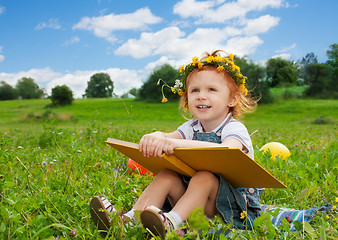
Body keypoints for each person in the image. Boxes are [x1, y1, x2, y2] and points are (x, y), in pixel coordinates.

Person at [90, 50, 263, 238]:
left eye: (211, 90)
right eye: (195, 90)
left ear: (232, 99)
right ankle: (129, 221)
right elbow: (168, 136)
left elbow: (228, 150)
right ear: (187, 99)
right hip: (194, 203)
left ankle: (170, 223)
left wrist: (172, 142)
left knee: (204, 177)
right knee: (167, 174)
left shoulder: (234, 129)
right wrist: (157, 136)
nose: (201, 96)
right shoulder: (191, 127)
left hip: (230, 209)